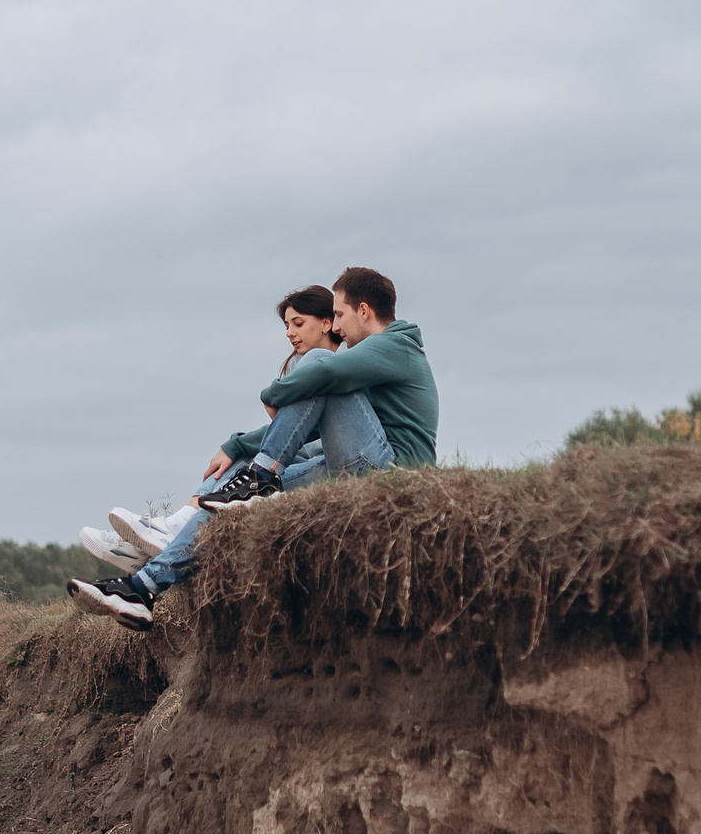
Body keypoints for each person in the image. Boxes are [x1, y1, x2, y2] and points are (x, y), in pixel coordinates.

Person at [69, 267, 436, 626]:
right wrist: (237, 445)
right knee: (228, 499)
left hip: (393, 475)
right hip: (348, 466)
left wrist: (273, 394)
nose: (337, 326)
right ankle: (142, 588)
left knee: (319, 361)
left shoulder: (398, 345)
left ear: (364, 311)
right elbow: (308, 427)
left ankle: (258, 479)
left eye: (339, 315)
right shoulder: (371, 360)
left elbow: (325, 373)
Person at [76, 287, 340, 572]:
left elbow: (306, 428)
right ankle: (160, 534)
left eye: (298, 324)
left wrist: (237, 443)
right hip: (294, 458)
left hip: (323, 463)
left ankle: (163, 535)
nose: (289, 333)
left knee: (241, 465)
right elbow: (284, 429)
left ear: (326, 323)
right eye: (287, 326)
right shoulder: (297, 365)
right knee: (241, 461)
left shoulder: (343, 362)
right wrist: (239, 446)